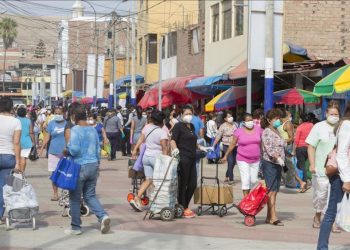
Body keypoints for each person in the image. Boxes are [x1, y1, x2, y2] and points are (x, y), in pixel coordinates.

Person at [66, 107, 110, 235]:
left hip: (79, 166)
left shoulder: (75, 130)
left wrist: (66, 150)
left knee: (74, 198)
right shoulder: (92, 130)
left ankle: (75, 227)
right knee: (90, 195)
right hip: (93, 165)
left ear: (75, 117)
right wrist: (97, 165)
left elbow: (74, 150)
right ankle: (102, 216)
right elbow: (98, 149)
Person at [317, 104, 350, 249]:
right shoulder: (347, 125)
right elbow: (342, 154)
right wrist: (347, 180)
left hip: (344, 174)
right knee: (331, 212)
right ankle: (322, 247)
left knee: (332, 211)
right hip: (341, 175)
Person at [306, 100, 340, 231]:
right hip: (321, 169)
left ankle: (332, 221)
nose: (334, 116)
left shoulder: (342, 127)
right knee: (321, 196)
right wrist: (312, 164)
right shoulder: (318, 127)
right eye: (332, 113)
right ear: (326, 113)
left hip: (337, 169)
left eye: (336, 114)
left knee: (334, 196)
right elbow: (311, 147)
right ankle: (317, 215)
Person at [171, 105, 207, 218]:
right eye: (186, 114)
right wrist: (175, 149)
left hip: (192, 157)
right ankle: (183, 206)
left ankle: (184, 205)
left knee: (192, 184)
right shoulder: (178, 126)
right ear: (181, 115)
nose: (188, 116)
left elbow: (193, 139)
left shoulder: (191, 126)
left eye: (190, 114)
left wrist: (200, 147)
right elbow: (173, 140)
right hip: (183, 157)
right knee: (183, 183)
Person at [130, 111, 168, 212]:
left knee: (149, 179)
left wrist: (134, 150)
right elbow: (164, 148)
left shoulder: (147, 128)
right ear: (162, 121)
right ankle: (156, 202)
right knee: (159, 180)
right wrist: (166, 160)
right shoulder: (162, 132)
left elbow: (141, 140)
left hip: (146, 157)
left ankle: (137, 197)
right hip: (157, 158)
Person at [221, 113, 262, 196]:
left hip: (255, 159)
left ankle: (247, 195)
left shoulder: (259, 129)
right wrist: (225, 155)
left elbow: (262, 143)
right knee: (245, 179)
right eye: (248, 120)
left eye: (251, 120)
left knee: (253, 180)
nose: (250, 122)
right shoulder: (238, 131)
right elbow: (232, 144)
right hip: (242, 159)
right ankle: (246, 200)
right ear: (244, 122)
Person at [260, 108, 285, 226]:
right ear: (269, 120)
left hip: (278, 164)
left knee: (275, 190)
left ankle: (269, 216)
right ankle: (273, 217)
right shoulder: (266, 132)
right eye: (275, 118)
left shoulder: (277, 130)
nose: (278, 120)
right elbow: (269, 149)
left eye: (278, 118)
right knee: (271, 191)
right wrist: (277, 157)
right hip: (270, 163)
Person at [0, 97, 21, 221]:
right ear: (11, 107)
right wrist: (18, 163)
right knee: (3, 188)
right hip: (8, 157)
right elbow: (16, 143)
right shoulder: (15, 122)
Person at [39, 107, 67, 201]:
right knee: (54, 174)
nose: (58, 115)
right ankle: (55, 194)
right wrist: (42, 148)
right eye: (56, 113)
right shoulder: (51, 123)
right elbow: (47, 137)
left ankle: (65, 193)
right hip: (53, 151)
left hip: (65, 152)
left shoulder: (67, 124)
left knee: (65, 173)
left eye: (60, 113)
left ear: (63, 113)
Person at [278, 110, 306, 190]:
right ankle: (289, 182)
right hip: (281, 147)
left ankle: (300, 182)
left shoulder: (288, 124)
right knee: (284, 167)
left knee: (288, 167)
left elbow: (292, 138)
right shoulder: (281, 123)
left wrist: (282, 141)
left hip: (286, 148)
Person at [213, 111, 238, 184]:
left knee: (233, 162)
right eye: (228, 117)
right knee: (230, 161)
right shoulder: (222, 126)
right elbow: (218, 136)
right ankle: (231, 178)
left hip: (235, 145)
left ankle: (227, 175)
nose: (231, 118)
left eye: (231, 116)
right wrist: (213, 145)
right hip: (226, 145)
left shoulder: (235, 124)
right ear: (225, 119)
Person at [292, 113, 314, 192]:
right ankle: (306, 182)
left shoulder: (300, 127)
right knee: (306, 165)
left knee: (301, 166)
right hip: (310, 148)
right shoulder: (312, 125)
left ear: (301, 119)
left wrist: (293, 151)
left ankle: (304, 184)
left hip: (300, 148)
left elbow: (296, 141)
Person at [16, 107, 34, 172]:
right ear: (25, 113)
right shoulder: (28, 121)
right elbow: (31, 132)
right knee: (23, 157)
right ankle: (22, 172)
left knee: (18, 158)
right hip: (27, 142)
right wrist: (33, 142)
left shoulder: (15, 120)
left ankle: (18, 171)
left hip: (16, 141)